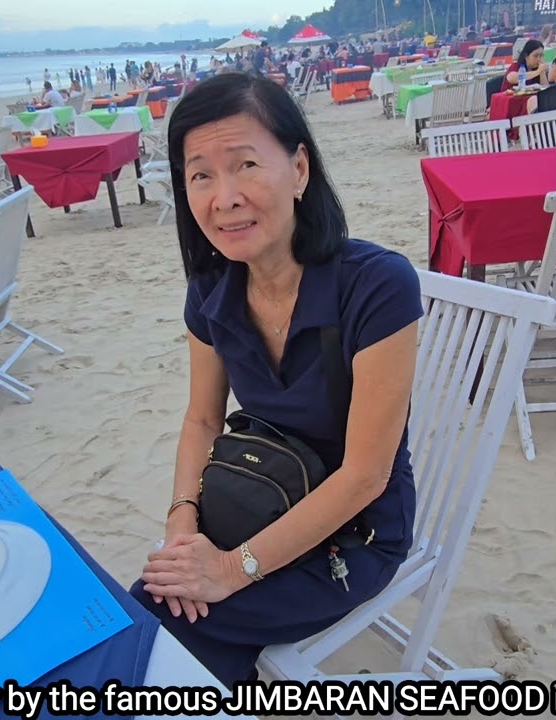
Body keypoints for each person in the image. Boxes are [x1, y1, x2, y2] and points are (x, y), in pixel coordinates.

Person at [128, 72, 420, 687]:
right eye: (201, 175)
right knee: (156, 605)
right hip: (255, 494)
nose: (224, 197)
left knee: (161, 622)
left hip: (353, 532)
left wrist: (230, 570)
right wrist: (181, 525)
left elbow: (366, 475)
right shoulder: (211, 289)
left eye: (246, 165)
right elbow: (202, 419)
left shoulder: (376, 285)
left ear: (299, 169)